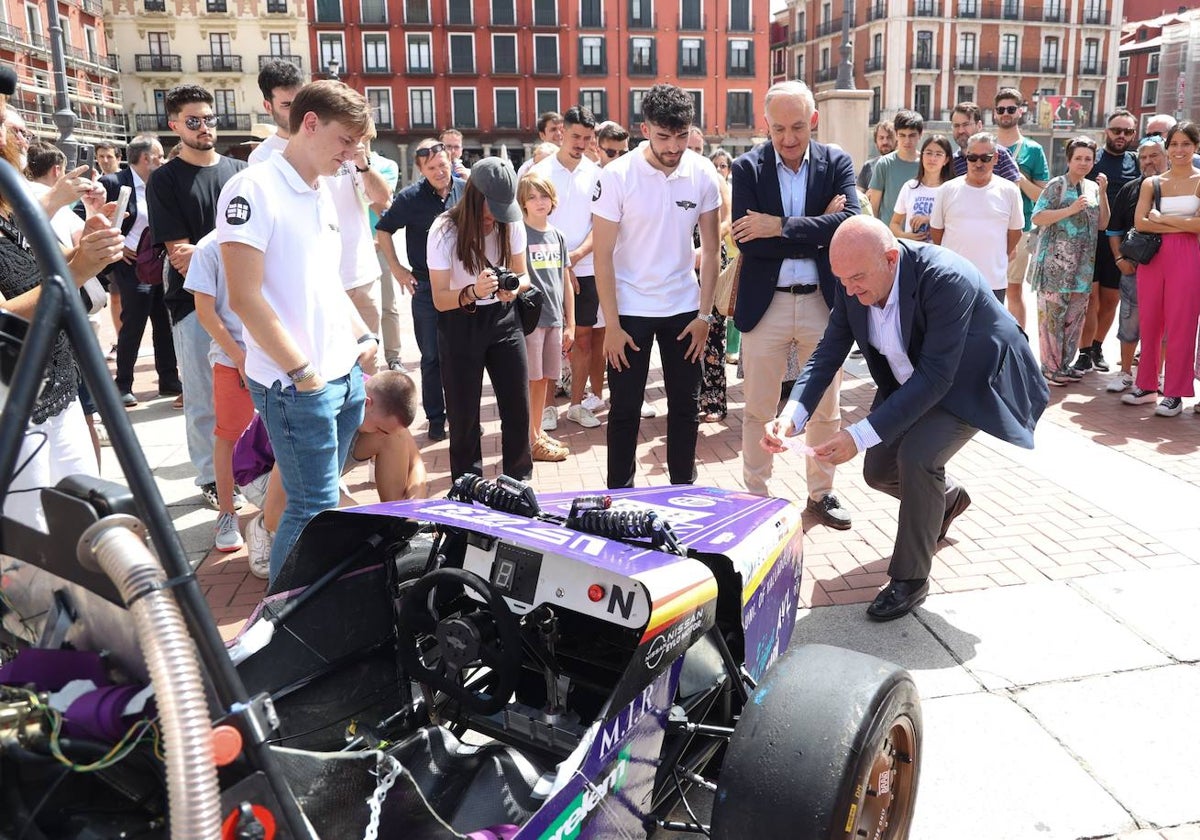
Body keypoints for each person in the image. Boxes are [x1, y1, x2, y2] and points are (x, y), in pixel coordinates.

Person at [764, 216, 1049, 621]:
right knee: (878, 469)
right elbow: (828, 352)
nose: (849, 290)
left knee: (918, 457)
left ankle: (910, 580)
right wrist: (792, 414)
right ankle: (945, 499)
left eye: (857, 278)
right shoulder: (853, 278)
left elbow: (937, 377)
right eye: (841, 280)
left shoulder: (946, 278)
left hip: (969, 379)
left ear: (891, 258)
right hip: (912, 376)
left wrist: (858, 433)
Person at [218, 80, 378, 582]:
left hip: (340, 372)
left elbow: (326, 282)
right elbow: (244, 297)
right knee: (312, 505)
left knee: (320, 495)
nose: (353, 155)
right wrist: (302, 372)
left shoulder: (321, 190)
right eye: (346, 141)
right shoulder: (252, 188)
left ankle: (307, 601)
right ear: (310, 124)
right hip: (297, 383)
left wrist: (362, 341)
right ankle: (284, 618)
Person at [731, 80, 858, 527]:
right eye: (779, 128)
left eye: (798, 127)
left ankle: (822, 493)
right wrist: (816, 228)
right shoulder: (746, 168)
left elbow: (849, 226)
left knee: (825, 409)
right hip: (766, 306)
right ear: (766, 124)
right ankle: (755, 498)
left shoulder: (836, 162)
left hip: (825, 306)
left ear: (814, 122)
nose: (788, 138)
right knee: (758, 409)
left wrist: (779, 226)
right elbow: (750, 243)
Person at [0, 110, 125, 532]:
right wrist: (77, 269)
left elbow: (36, 279)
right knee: (30, 551)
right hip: (12, 411)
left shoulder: (11, 212)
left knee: (85, 525)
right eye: (10, 126)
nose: (23, 136)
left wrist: (85, 251)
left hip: (57, 388)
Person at [594, 83, 721, 488]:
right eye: (664, 136)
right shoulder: (617, 176)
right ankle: (618, 499)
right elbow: (602, 255)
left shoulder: (702, 172)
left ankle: (683, 492)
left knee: (686, 408)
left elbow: (714, 250)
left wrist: (705, 315)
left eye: (682, 135)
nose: (673, 146)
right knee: (625, 410)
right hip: (629, 310)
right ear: (644, 128)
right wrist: (610, 325)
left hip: (684, 308)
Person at [146, 83, 247, 511]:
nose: (205, 127)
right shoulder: (165, 180)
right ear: (174, 126)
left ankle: (245, 470)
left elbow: (204, 251)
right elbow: (181, 257)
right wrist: (229, 245)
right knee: (204, 399)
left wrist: (207, 248)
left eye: (209, 118)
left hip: (245, 301)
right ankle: (210, 476)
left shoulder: (239, 172)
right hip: (191, 305)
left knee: (249, 396)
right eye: (194, 121)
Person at [234, 370, 427, 577]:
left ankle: (395, 526)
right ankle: (259, 527)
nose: (381, 434)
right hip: (260, 473)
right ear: (366, 403)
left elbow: (416, 465)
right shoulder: (316, 415)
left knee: (394, 438)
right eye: (380, 428)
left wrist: (412, 511)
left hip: (317, 456)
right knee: (356, 524)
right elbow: (275, 515)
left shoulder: (378, 394)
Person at [427, 157, 534, 480]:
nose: (496, 217)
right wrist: (472, 291)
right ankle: (467, 485)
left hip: (503, 318)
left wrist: (511, 290)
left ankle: (519, 481)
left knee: (517, 408)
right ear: (476, 196)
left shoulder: (510, 224)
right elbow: (439, 299)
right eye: (493, 207)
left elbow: (524, 276)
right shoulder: (444, 230)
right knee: (464, 416)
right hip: (460, 321)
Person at [375, 138, 464, 441]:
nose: (440, 171)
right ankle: (436, 419)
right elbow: (383, 230)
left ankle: (462, 416)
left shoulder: (465, 192)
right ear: (421, 169)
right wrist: (397, 269)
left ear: (450, 160)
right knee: (431, 357)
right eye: (432, 168)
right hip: (425, 290)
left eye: (443, 164)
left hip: (462, 289)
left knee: (464, 355)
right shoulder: (409, 198)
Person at [1121, 121, 1200, 417]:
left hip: (1188, 255)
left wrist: (1163, 221)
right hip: (1153, 256)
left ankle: (1176, 393)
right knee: (1150, 321)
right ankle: (1146, 386)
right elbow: (1140, 222)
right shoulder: (1152, 183)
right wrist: (1185, 223)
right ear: (1168, 148)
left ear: (1196, 147)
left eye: (1186, 144)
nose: (1180, 150)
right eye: (1175, 144)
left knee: (1182, 324)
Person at [531, 106, 602, 431]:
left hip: (584, 267)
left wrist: (571, 258)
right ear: (561, 132)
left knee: (584, 340)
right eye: (576, 136)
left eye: (587, 138)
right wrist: (559, 261)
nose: (581, 143)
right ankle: (547, 408)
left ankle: (576, 405)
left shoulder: (597, 173)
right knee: (546, 338)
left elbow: (600, 225)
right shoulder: (538, 172)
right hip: (543, 271)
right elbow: (526, 220)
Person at [183, 231, 253, 552]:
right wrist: (239, 357)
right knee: (228, 436)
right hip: (230, 358)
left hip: (278, 354)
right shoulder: (208, 248)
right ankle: (227, 513)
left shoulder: (270, 232)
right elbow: (205, 311)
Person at [98, 137, 178, 408]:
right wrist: (117, 247)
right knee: (134, 322)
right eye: (159, 155)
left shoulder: (159, 184)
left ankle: (169, 379)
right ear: (146, 158)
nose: (163, 160)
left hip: (157, 262)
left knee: (163, 322)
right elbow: (90, 220)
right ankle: (123, 384)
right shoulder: (113, 183)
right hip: (130, 266)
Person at [1029, 137, 1109, 386]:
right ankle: (1050, 368)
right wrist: (1070, 209)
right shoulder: (1056, 185)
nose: (1084, 163)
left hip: (1083, 269)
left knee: (1074, 321)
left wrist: (1104, 194)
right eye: (1079, 158)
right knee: (1052, 321)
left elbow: (1103, 224)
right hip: (1054, 268)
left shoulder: (1093, 188)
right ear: (1069, 160)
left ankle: (1064, 364)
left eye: (1088, 159)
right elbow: (1038, 217)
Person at [1075, 109, 1141, 375]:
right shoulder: (1093, 158)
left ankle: (1098, 347)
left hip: (1121, 243)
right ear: (1107, 131)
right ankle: (1083, 352)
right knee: (1090, 299)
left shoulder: (1135, 162)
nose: (1121, 136)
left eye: (1127, 131)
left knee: (1111, 299)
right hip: (1091, 239)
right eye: (1117, 130)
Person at [1104, 137, 1169, 394]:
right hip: (1134, 267)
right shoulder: (1130, 188)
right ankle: (1125, 372)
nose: (1148, 162)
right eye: (1143, 157)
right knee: (1130, 321)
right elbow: (1113, 230)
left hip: (1168, 268)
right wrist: (1120, 260)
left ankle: (1159, 374)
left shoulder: (1177, 189)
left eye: (1154, 156)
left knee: (1165, 324)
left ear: (1165, 157)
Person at [518, 171, 574, 461]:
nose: (539, 202)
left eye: (544, 196)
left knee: (543, 380)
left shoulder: (558, 236)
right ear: (523, 202)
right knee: (530, 380)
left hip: (554, 319)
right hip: (530, 322)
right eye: (532, 197)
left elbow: (565, 281)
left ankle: (537, 432)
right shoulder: (518, 235)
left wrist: (570, 323)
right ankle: (529, 438)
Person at [930, 132, 1024, 303]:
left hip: (993, 283)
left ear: (995, 158)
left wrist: (997, 255)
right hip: (953, 280)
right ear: (966, 157)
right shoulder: (947, 190)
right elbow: (936, 232)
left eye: (985, 158)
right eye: (972, 158)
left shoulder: (1010, 191)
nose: (978, 163)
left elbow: (1016, 232)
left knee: (989, 330)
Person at [992, 88, 1050, 329]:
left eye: (1011, 109)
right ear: (995, 114)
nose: (1006, 113)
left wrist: (1016, 174)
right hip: (987, 226)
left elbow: (1043, 196)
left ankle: (1018, 345)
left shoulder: (1033, 150)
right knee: (986, 287)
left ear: (1021, 111)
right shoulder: (986, 147)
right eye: (1001, 109)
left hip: (1021, 227)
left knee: (1013, 290)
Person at [699, 147, 734, 422]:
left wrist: (707, 244)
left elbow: (728, 219)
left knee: (712, 332)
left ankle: (714, 402)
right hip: (681, 262)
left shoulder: (716, 180)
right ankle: (690, 398)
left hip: (711, 258)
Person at [889, 135, 953, 242]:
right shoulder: (910, 187)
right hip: (913, 252)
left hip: (939, 253)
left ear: (946, 160)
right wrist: (905, 236)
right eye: (928, 153)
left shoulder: (951, 189)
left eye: (938, 154)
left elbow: (955, 223)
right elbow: (894, 224)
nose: (932, 158)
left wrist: (929, 219)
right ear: (922, 156)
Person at [868, 109, 923, 222]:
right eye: (902, 135)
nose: (907, 141)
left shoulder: (927, 163)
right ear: (896, 135)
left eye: (912, 135)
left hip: (919, 236)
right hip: (889, 235)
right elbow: (873, 209)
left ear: (920, 135)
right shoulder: (884, 164)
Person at [949, 102, 1019, 179]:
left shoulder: (1001, 155)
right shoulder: (951, 163)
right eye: (956, 125)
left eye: (966, 124)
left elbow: (1013, 188)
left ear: (979, 126)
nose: (960, 131)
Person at [857, 120, 896, 192]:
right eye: (881, 138)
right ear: (876, 141)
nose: (885, 142)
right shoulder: (868, 166)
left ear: (896, 139)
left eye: (889, 137)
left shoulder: (902, 165)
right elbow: (859, 196)